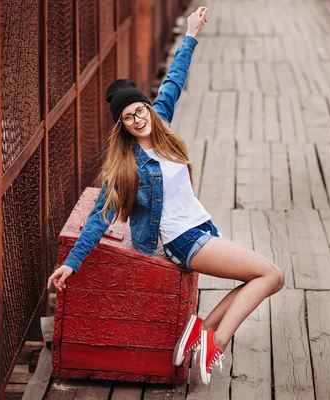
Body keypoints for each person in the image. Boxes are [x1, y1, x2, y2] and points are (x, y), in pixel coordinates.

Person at [47, 6, 285, 386]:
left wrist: (191, 33)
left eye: (140, 109)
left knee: (255, 279)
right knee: (271, 274)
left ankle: (198, 331)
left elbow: (174, 79)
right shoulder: (126, 166)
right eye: (129, 117)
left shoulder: (160, 123)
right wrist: (72, 263)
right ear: (122, 126)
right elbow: (99, 216)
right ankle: (215, 341)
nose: (139, 118)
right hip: (181, 239)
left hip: (199, 227)